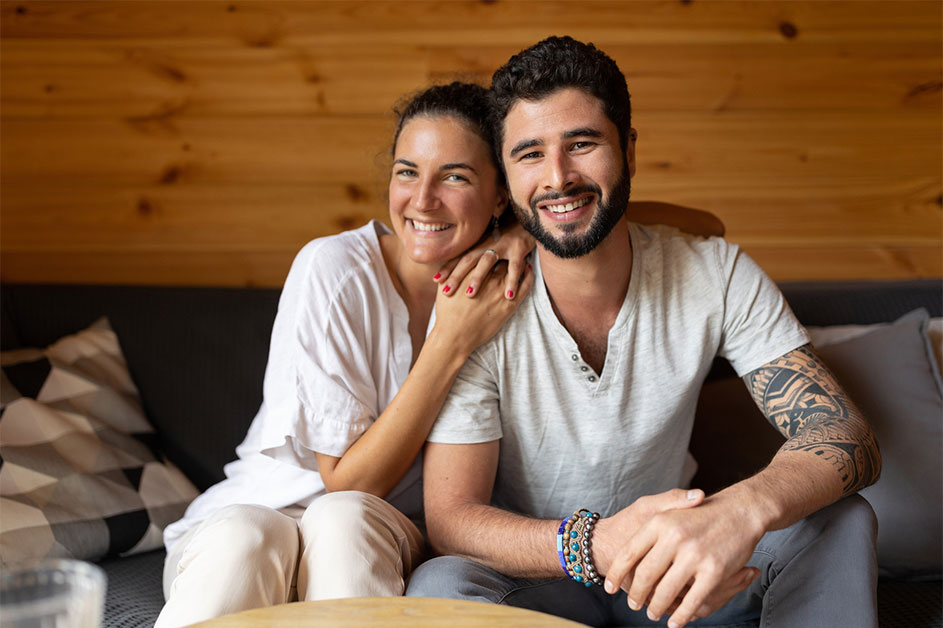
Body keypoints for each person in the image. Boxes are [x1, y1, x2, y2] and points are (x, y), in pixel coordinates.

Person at [406, 37, 882, 628]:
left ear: (628, 152)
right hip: (540, 580)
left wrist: (738, 511)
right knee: (441, 582)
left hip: (680, 569)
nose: (558, 177)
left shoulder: (717, 272)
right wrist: (592, 543)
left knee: (843, 519)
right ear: (506, 178)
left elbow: (845, 434)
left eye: (582, 144)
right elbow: (452, 518)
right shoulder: (475, 302)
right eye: (530, 154)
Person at [154, 82, 536, 628]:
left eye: (455, 176)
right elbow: (347, 478)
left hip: (369, 542)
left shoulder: (509, 282)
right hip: (239, 541)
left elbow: (652, 221)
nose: (423, 199)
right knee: (255, 533)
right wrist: (449, 343)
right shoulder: (334, 271)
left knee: (345, 522)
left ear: (501, 194)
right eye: (407, 172)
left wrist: (529, 228)